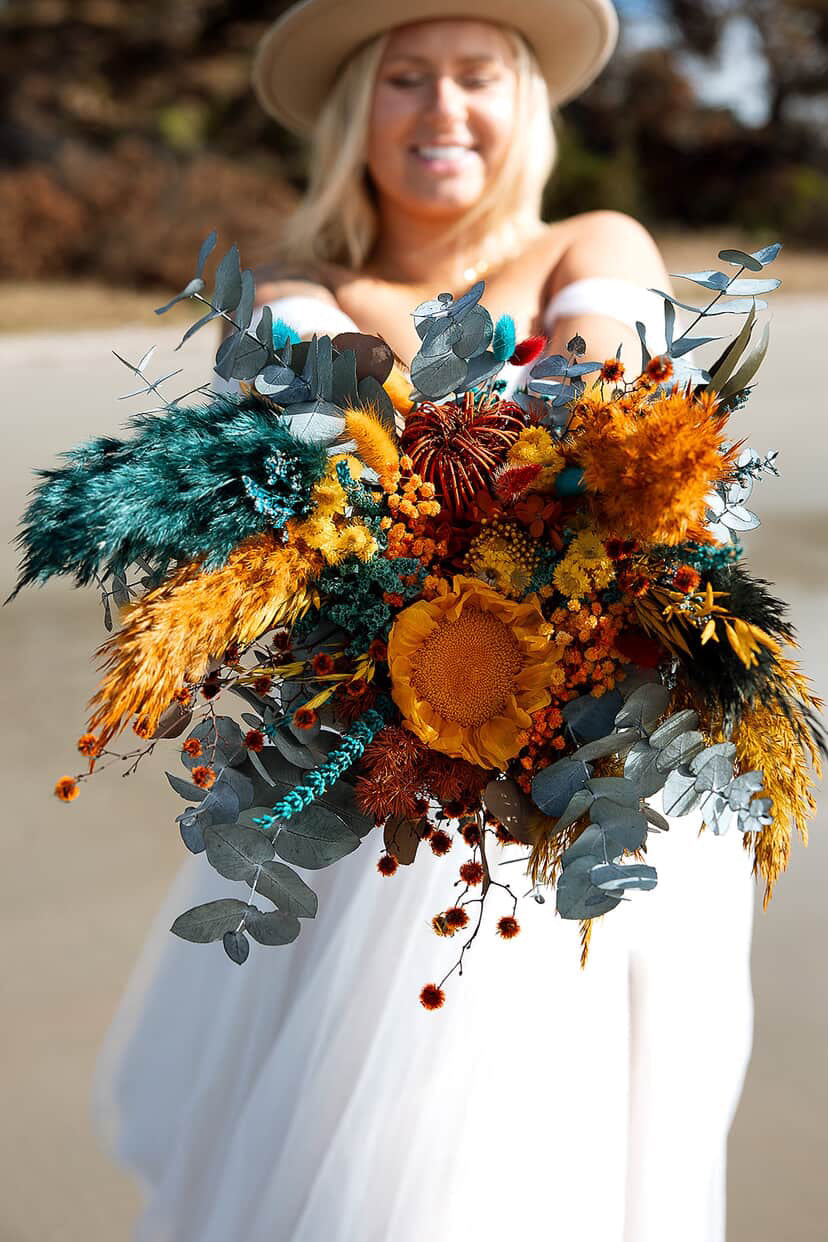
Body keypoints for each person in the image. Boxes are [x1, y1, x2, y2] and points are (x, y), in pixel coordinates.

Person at [92, 4, 756, 1240]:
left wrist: (519, 473)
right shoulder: (292, 290)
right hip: (374, 810)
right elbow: (339, 433)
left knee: (573, 1158)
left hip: (588, 782)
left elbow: (608, 402)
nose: (444, 111)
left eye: (475, 78)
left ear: (524, 108)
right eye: (405, 79)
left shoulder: (593, 236)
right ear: (356, 114)